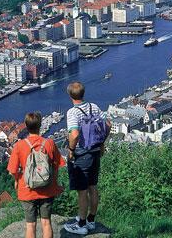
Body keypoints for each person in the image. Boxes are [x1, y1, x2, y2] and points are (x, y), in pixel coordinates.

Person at [7, 112, 66, 238]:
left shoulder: (19, 145)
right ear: (40, 126)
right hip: (47, 188)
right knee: (46, 222)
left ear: (26, 127)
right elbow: (57, 166)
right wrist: (55, 183)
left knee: (30, 225)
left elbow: (12, 170)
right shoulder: (49, 143)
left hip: (27, 188)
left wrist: (17, 180)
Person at [63, 82, 110, 235]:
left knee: (82, 191)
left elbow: (75, 134)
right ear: (83, 94)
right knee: (93, 186)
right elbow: (108, 124)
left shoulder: (73, 112)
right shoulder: (93, 106)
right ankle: (91, 220)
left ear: (70, 96)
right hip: (96, 151)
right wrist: (102, 143)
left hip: (82, 154)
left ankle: (81, 224)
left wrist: (70, 149)